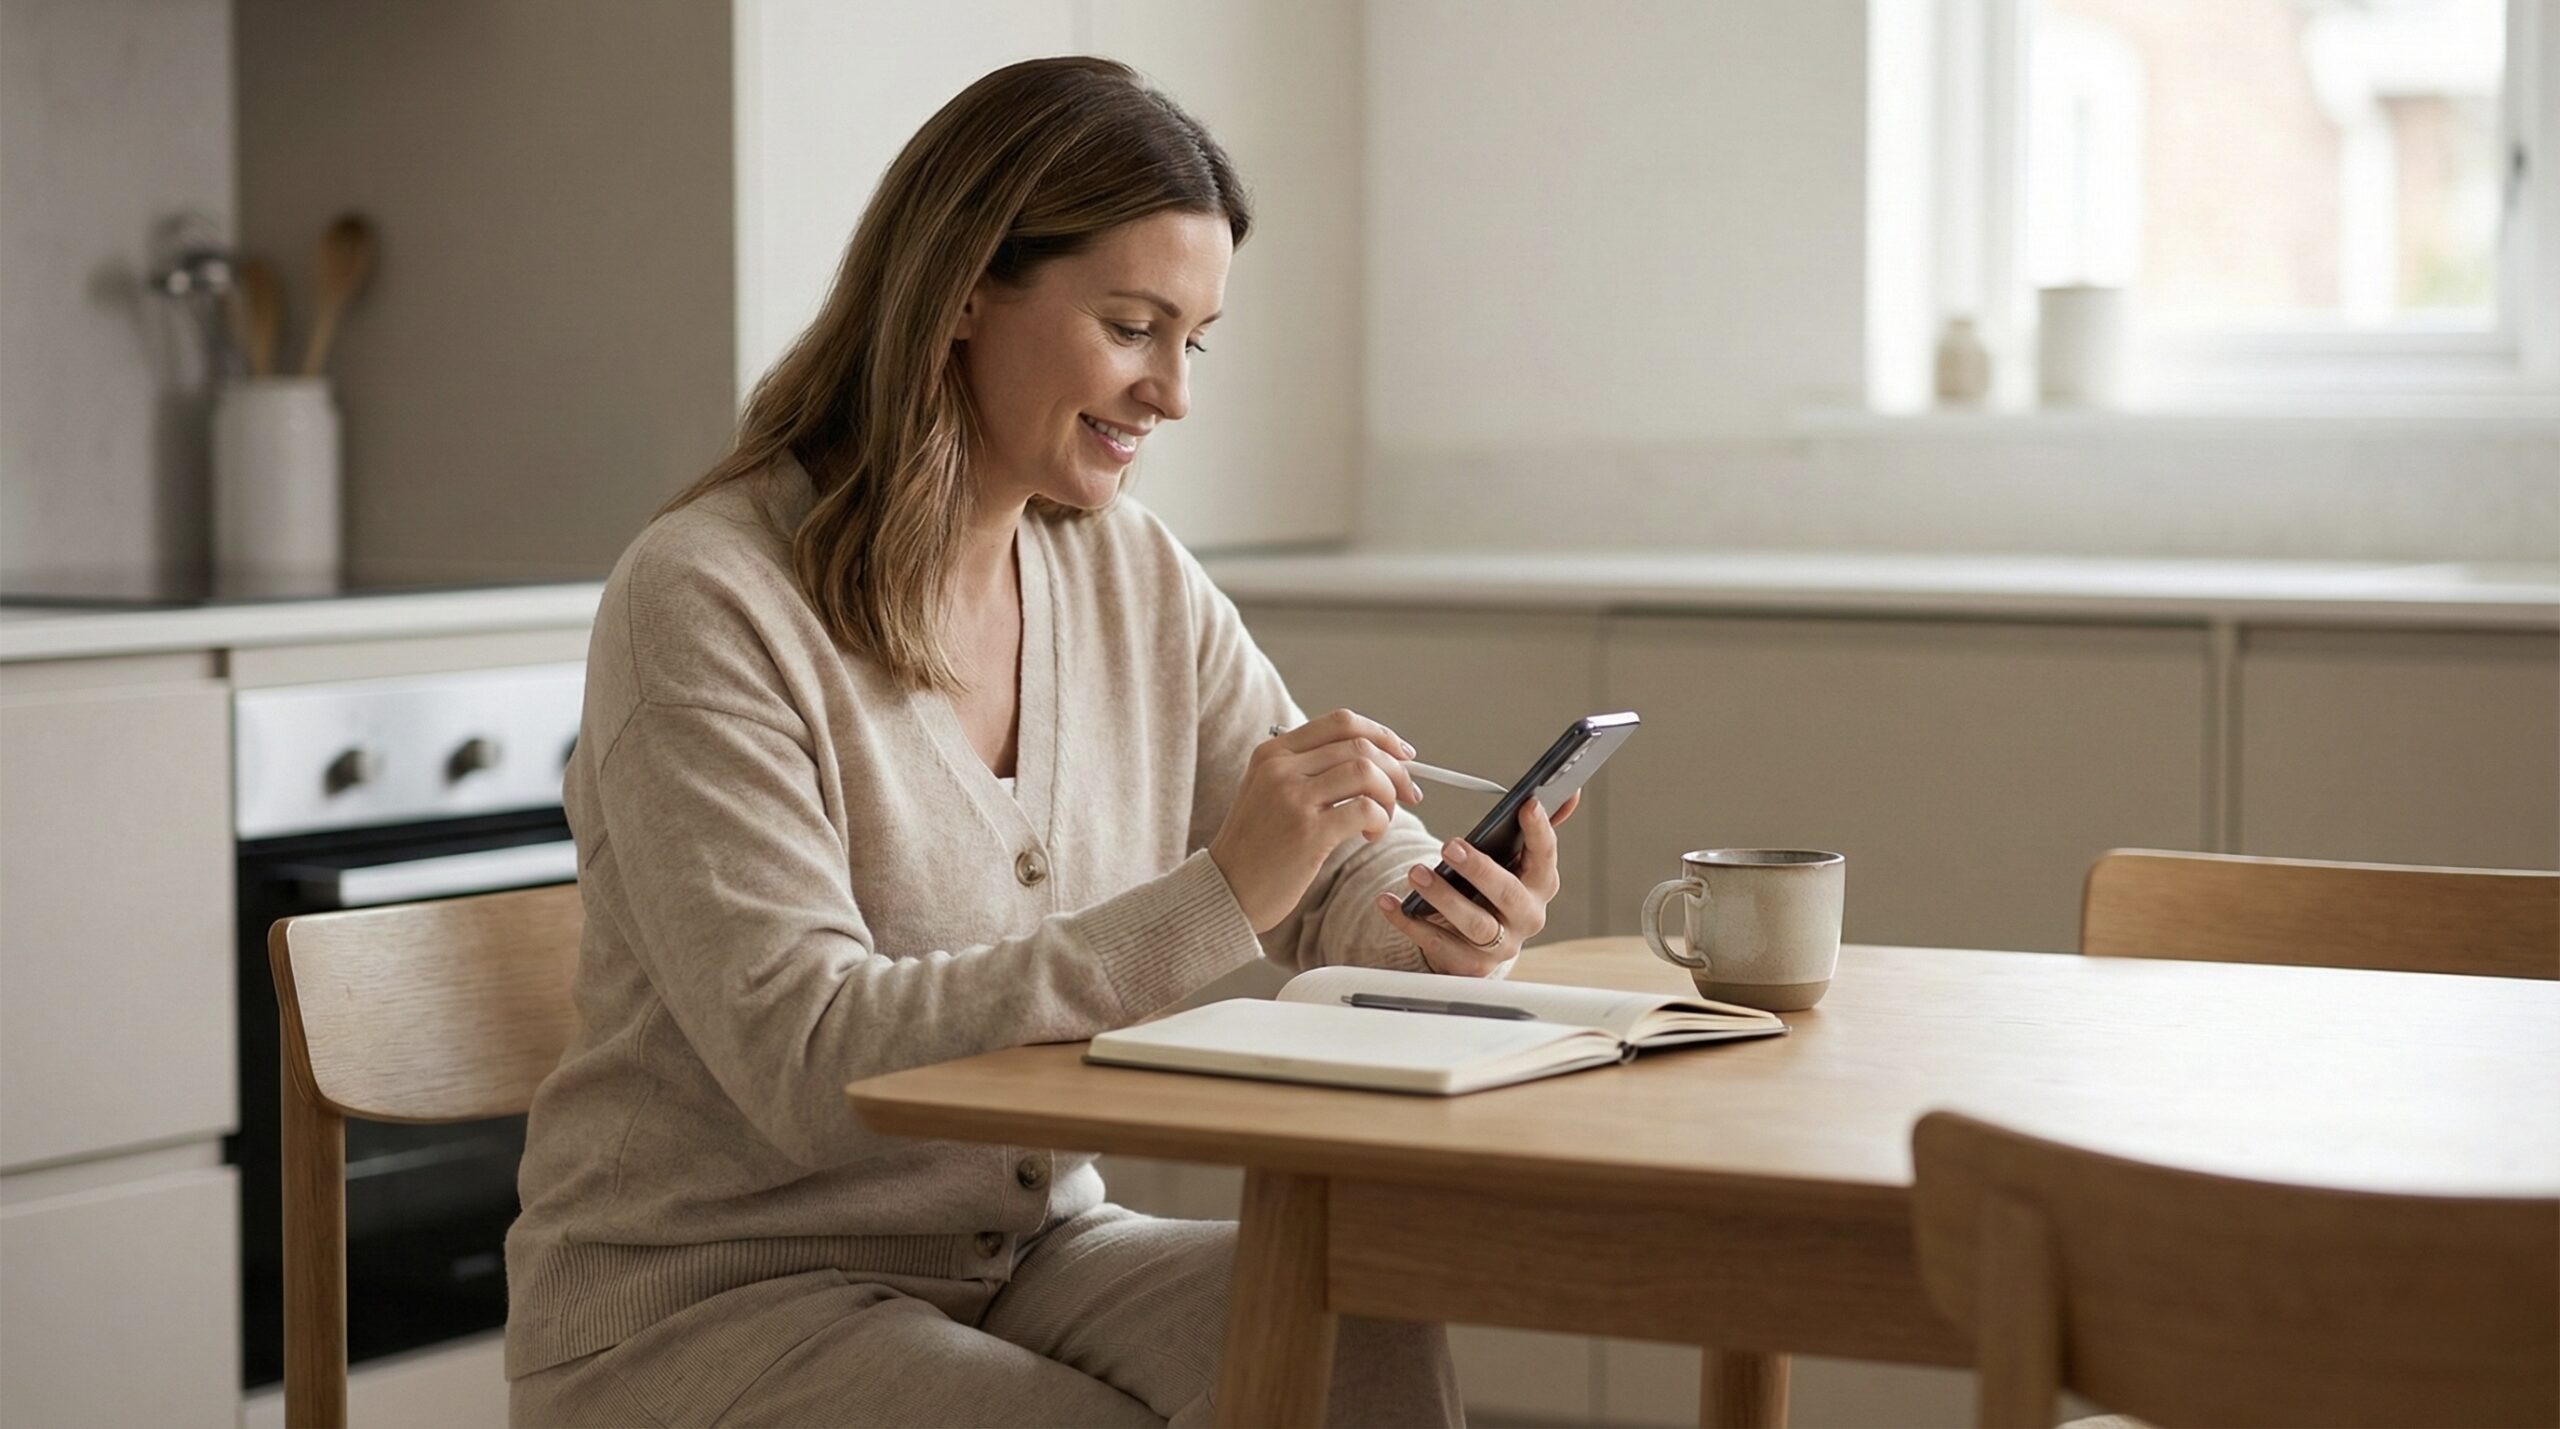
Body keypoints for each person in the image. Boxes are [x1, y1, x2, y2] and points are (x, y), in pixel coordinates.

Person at [505, 55, 1577, 1428]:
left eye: (1194, 339)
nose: (1171, 394)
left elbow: (1322, 871)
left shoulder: (1127, 571)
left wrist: (1429, 910)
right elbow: (812, 1062)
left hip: (1030, 1251)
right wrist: (1220, 895)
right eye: (1133, 327)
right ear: (963, 290)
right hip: (712, 1295)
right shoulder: (706, 598)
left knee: (1349, 1330)